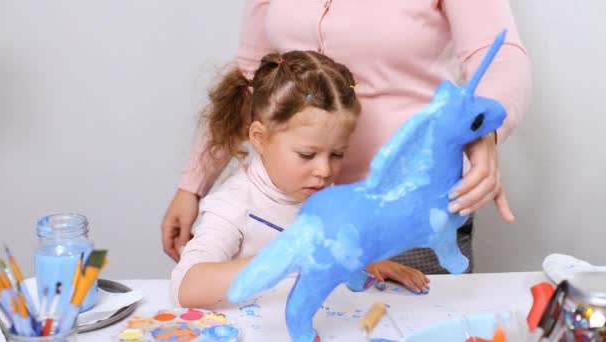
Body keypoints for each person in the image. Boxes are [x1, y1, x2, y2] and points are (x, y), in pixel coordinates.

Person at [163, 1, 532, 274]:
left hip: (407, 211)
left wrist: (482, 132)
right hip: (295, 209)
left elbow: (499, 55)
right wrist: (193, 184)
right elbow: (249, 72)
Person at [171, 50, 430, 308]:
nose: (325, 170)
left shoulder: (319, 194)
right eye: (307, 154)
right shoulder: (234, 205)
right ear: (260, 138)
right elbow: (186, 288)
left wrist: (365, 265)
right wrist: (287, 257)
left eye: (337, 154)